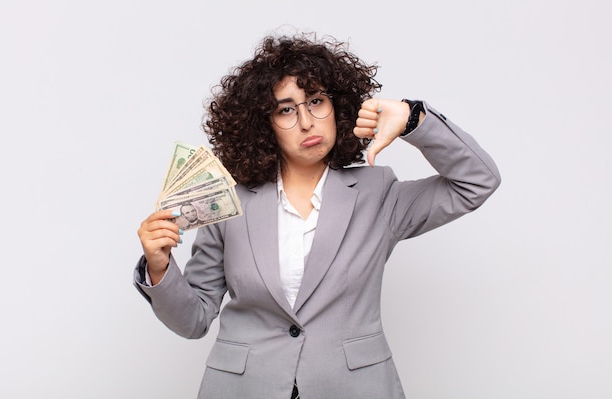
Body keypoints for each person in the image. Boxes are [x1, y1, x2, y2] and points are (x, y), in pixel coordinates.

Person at [135, 32, 501, 399]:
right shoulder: (229, 204)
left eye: (316, 101)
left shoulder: (379, 193)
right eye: (286, 109)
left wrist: (413, 118)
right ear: (264, 125)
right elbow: (193, 320)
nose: (307, 121)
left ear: (337, 107)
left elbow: (477, 181)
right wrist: (159, 267)